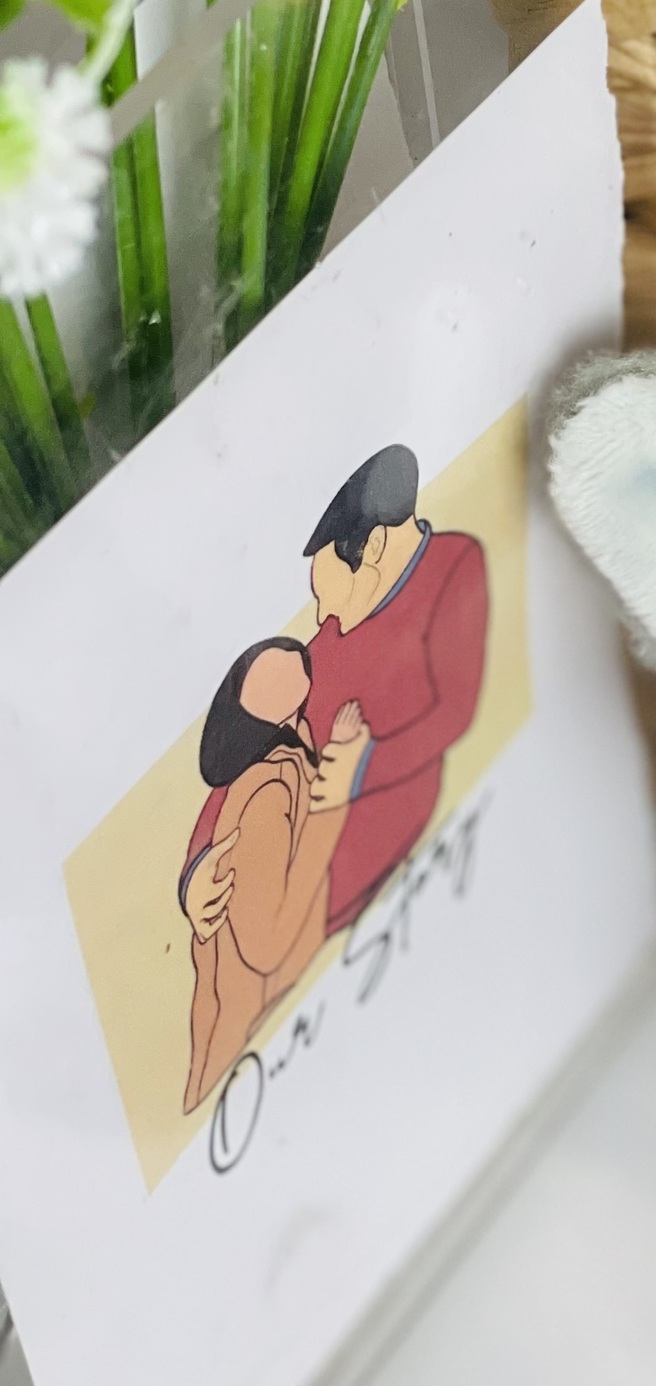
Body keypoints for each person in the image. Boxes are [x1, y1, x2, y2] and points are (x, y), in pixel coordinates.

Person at [181, 446, 489, 951]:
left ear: (373, 548)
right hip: (286, 856)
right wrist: (195, 868)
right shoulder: (329, 639)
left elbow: (454, 711)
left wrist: (364, 767)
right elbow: (248, 741)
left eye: (331, 595)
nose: (323, 615)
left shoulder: (454, 564)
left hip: (366, 853)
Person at [182, 640, 371, 1115]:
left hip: (313, 1002)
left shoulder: (299, 740)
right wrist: (334, 799)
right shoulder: (265, 792)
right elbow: (267, 944)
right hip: (251, 1042)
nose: (291, 659)